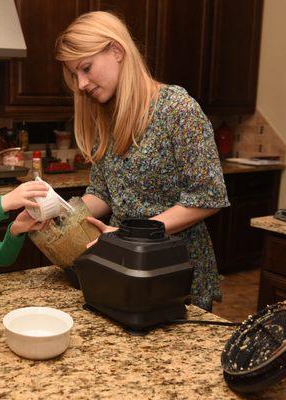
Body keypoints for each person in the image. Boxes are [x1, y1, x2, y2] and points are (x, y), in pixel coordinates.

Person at [55, 11, 229, 311]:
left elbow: (208, 198)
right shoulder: (106, 117)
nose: (81, 83)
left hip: (173, 271)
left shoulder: (177, 109)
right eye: (75, 74)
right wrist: (58, 215)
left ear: (117, 50)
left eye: (86, 68)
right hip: (121, 265)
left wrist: (133, 234)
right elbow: (102, 194)